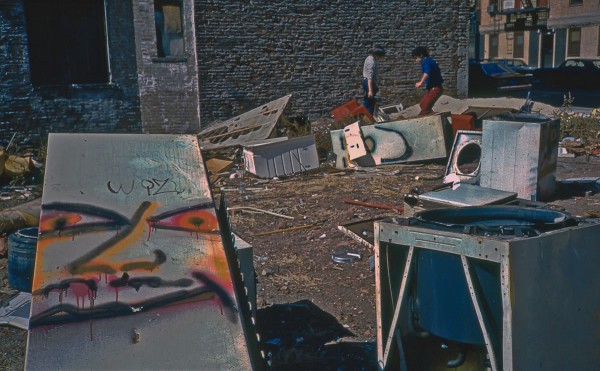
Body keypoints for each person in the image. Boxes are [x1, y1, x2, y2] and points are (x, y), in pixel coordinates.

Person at [412, 46, 443, 116]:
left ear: (421, 55)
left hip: (435, 89)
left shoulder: (425, 62)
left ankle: (427, 117)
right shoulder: (430, 60)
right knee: (422, 105)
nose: (416, 60)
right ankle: (431, 114)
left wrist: (420, 82)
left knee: (424, 110)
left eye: (416, 58)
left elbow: (427, 72)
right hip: (433, 88)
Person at [362, 46, 386, 115]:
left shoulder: (369, 58)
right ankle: (369, 116)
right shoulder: (371, 62)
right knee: (370, 102)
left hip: (367, 81)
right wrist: (370, 90)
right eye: (380, 56)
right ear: (377, 55)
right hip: (368, 82)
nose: (380, 58)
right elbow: (370, 77)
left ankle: (367, 116)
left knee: (368, 101)